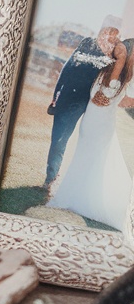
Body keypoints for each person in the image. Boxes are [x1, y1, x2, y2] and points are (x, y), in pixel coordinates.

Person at [49, 38, 134, 232]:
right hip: (94, 124)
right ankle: (80, 196)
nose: (117, 51)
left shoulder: (121, 75)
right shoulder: (110, 70)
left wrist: (121, 63)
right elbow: (102, 91)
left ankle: (85, 196)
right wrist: (119, 61)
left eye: (122, 51)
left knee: (95, 160)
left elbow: (107, 95)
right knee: (87, 159)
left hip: (100, 124)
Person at [45, 17, 120, 191]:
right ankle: (50, 180)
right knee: (59, 140)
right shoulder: (87, 43)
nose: (110, 34)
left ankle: (81, 186)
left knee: (88, 145)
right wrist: (57, 94)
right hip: (69, 100)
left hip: (94, 106)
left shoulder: (116, 53)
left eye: (115, 31)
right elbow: (68, 68)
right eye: (108, 29)